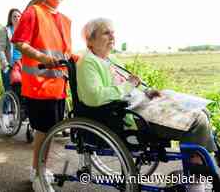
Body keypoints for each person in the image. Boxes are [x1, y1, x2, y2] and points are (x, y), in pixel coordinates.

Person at [76, 17, 219, 191]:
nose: (113, 37)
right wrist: (129, 86)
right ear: (90, 40)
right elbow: (94, 97)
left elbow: (131, 85)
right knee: (197, 121)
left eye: (113, 32)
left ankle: (198, 169)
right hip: (129, 116)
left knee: (200, 110)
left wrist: (147, 90)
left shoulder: (109, 59)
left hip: (141, 105)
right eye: (106, 33)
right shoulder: (88, 63)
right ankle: (195, 180)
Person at [11, 0, 76, 191]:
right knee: (43, 132)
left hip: (59, 86)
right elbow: (19, 42)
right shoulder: (33, 12)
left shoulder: (66, 21)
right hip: (38, 86)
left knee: (51, 132)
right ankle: (38, 174)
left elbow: (67, 53)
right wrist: (42, 57)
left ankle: (39, 168)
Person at [0, 8, 22, 91]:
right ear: (10, 19)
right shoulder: (5, 30)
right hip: (9, 64)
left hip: (22, 64)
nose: (17, 18)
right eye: (14, 17)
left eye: (19, 16)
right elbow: (0, 48)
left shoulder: (24, 31)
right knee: (10, 90)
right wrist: (4, 62)